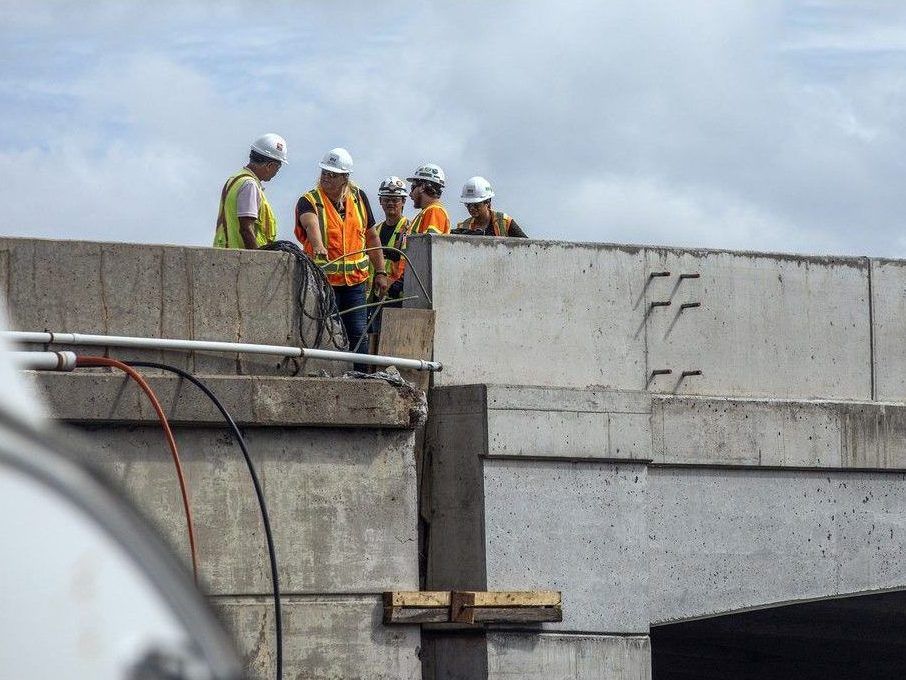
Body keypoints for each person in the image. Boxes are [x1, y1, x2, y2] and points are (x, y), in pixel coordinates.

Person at [294, 147, 388, 360]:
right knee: (327, 335)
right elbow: (310, 224)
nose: (326, 178)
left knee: (358, 336)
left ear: (345, 177)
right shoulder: (310, 200)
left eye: (332, 174)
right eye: (324, 173)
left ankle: (361, 379)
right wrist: (318, 245)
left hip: (355, 283)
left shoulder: (358, 198)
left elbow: (372, 237)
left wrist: (381, 271)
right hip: (325, 283)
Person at [213, 133, 287, 249]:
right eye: (278, 167)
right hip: (239, 259)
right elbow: (246, 229)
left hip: (227, 253)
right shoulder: (250, 185)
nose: (276, 172)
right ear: (270, 166)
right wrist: (257, 259)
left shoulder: (236, 179)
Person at [374, 176, 411, 304]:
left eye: (395, 200)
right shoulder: (375, 231)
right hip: (375, 294)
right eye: (386, 199)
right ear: (380, 201)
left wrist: (396, 285)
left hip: (396, 295)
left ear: (403, 201)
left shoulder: (409, 230)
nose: (390, 203)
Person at [452, 176, 527, 237]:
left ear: (487, 202)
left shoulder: (504, 222)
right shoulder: (463, 227)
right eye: (468, 204)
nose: (471, 208)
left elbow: (527, 246)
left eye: (476, 204)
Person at [407, 163, 451, 235]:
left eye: (413, 188)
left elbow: (430, 244)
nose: (410, 194)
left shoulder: (434, 211)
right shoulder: (428, 211)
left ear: (422, 187)